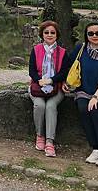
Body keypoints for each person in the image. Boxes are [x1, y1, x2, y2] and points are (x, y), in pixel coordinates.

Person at [64, 22, 98, 167]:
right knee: (83, 108)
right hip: (84, 90)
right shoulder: (81, 49)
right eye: (91, 33)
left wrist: (95, 97)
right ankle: (95, 148)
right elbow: (69, 65)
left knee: (95, 109)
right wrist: (64, 83)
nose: (94, 36)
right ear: (86, 35)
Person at [28, 20, 69, 157]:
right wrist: (39, 80)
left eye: (53, 32)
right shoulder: (36, 50)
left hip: (56, 86)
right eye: (46, 32)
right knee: (39, 105)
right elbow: (32, 70)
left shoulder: (62, 52)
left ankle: (50, 141)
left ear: (57, 35)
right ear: (42, 34)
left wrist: (51, 80)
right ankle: (40, 135)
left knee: (51, 106)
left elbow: (64, 72)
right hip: (38, 86)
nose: (49, 35)